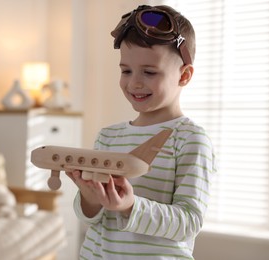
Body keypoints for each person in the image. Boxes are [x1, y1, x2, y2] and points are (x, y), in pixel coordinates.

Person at [66, 4, 217, 260]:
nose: (134, 82)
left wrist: (131, 206)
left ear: (184, 75)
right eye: (126, 70)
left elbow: (189, 222)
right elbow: (92, 218)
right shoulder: (108, 136)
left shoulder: (190, 139)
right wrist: (90, 198)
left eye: (149, 72)